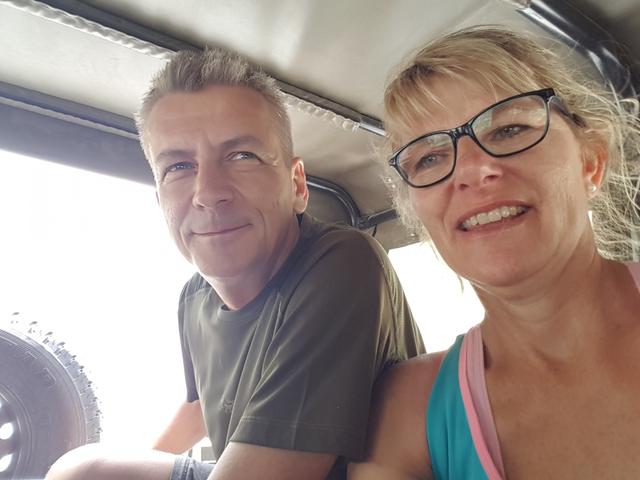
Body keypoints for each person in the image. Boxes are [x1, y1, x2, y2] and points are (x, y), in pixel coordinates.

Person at [46, 48, 424, 480]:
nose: (208, 193)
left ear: (297, 185)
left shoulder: (342, 262)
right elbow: (201, 406)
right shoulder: (195, 297)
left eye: (242, 156)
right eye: (179, 166)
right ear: (160, 201)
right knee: (83, 470)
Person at [349, 26, 640, 479]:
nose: (471, 170)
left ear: (591, 162)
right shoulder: (406, 413)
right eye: (429, 158)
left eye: (509, 129)